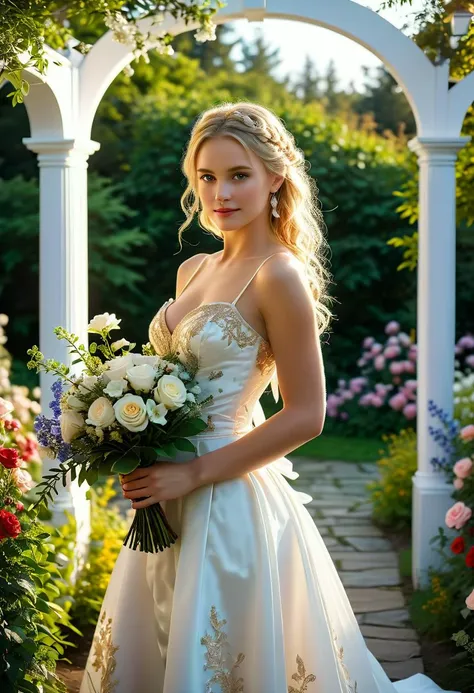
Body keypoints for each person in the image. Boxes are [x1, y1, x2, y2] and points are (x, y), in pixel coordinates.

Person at [80, 103, 458, 693]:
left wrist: (194, 474)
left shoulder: (277, 276)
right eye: (207, 177)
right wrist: (133, 435)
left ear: (275, 177)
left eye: (238, 175)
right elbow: (172, 385)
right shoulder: (193, 269)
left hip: (224, 502)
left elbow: (308, 414)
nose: (220, 192)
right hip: (164, 497)